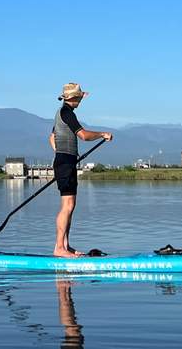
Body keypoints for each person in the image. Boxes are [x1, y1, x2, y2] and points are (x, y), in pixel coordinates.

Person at [48, 83, 112, 257]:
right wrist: (102, 134)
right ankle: (59, 248)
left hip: (65, 161)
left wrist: (60, 154)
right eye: (80, 98)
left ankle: (65, 246)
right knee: (68, 206)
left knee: (69, 205)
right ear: (73, 98)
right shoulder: (67, 112)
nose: (81, 101)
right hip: (65, 162)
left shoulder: (62, 113)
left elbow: (52, 138)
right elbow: (83, 135)